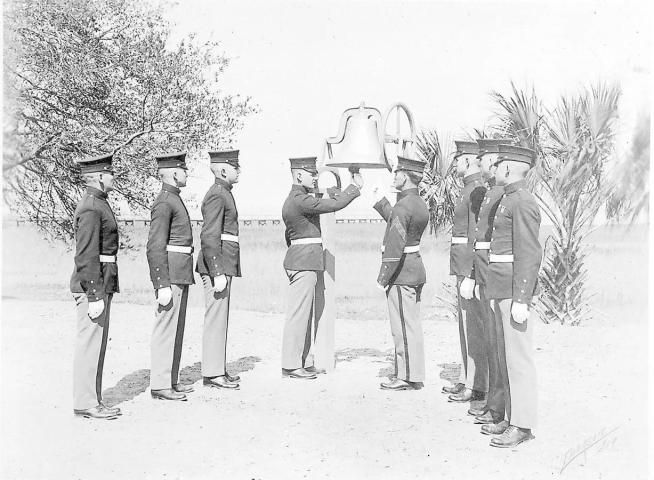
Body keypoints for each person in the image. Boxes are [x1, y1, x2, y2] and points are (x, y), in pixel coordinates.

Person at [281, 157, 362, 379]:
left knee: (304, 315)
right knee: (299, 316)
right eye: (312, 174)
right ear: (299, 175)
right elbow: (332, 205)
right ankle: (291, 365)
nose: (315, 177)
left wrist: (338, 189)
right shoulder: (300, 200)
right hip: (304, 262)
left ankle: (302, 362)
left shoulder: (297, 199)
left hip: (303, 260)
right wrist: (354, 187)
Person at [484, 144, 542, 448]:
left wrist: (522, 298)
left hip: (511, 290)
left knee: (518, 359)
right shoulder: (508, 198)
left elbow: (529, 253)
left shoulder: (522, 202)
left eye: (499, 164)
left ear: (508, 168)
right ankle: (510, 415)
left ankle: (523, 424)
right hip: (500, 287)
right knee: (505, 356)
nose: (495, 168)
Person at [70, 153, 121, 420]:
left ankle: (92, 399)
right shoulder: (91, 207)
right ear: (100, 177)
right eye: (110, 173)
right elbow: (86, 254)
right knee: (90, 344)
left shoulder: (98, 203)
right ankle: (85, 402)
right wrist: (94, 293)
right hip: (94, 283)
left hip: (102, 280)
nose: (114, 177)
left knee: (96, 344)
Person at [374, 156, 430, 391]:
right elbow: (399, 223)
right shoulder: (418, 203)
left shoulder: (402, 206)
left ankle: (406, 376)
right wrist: (381, 202)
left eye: (397, 173)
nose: (394, 176)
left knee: (402, 328)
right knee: (412, 325)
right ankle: (413, 372)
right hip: (414, 267)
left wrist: (383, 276)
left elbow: (396, 241)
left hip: (401, 273)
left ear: (405, 176)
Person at [468, 139, 513, 427]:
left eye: (485, 159)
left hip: (493, 271)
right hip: (486, 270)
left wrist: (478, 273)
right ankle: (493, 402)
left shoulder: (499, 195)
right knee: (491, 340)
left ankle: (497, 405)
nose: (481, 163)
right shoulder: (491, 193)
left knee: (497, 344)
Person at [147, 151, 195, 401]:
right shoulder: (165, 202)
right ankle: (160, 384)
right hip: (171, 273)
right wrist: (161, 283)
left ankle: (170, 380)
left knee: (175, 329)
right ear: (175, 173)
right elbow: (155, 245)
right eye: (184, 170)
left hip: (180, 271)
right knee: (166, 329)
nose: (187, 174)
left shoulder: (173, 199)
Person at [445, 141, 488, 403]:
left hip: (467, 265)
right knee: (465, 325)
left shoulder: (476, 190)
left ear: (470, 160)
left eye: (458, 159)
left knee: (473, 326)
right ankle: (467, 378)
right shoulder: (467, 189)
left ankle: (477, 383)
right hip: (461, 264)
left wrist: (471, 274)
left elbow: (475, 234)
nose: (455, 164)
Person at [196, 150, 242, 390]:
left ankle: (217, 369)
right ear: (223, 170)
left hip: (224, 262)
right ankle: (213, 373)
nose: (239, 170)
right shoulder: (217, 194)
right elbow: (209, 235)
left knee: (219, 318)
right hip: (218, 264)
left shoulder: (223, 193)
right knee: (215, 319)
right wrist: (216, 271)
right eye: (235, 166)